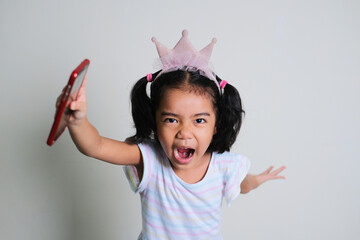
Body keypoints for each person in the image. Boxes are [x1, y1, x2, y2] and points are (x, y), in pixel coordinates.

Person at [62, 30, 286, 239]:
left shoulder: (224, 165)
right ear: (155, 121)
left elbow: (242, 184)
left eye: (199, 120)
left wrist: (258, 179)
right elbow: (96, 146)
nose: (184, 132)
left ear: (216, 125)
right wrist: (78, 121)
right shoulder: (148, 158)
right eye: (171, 120)